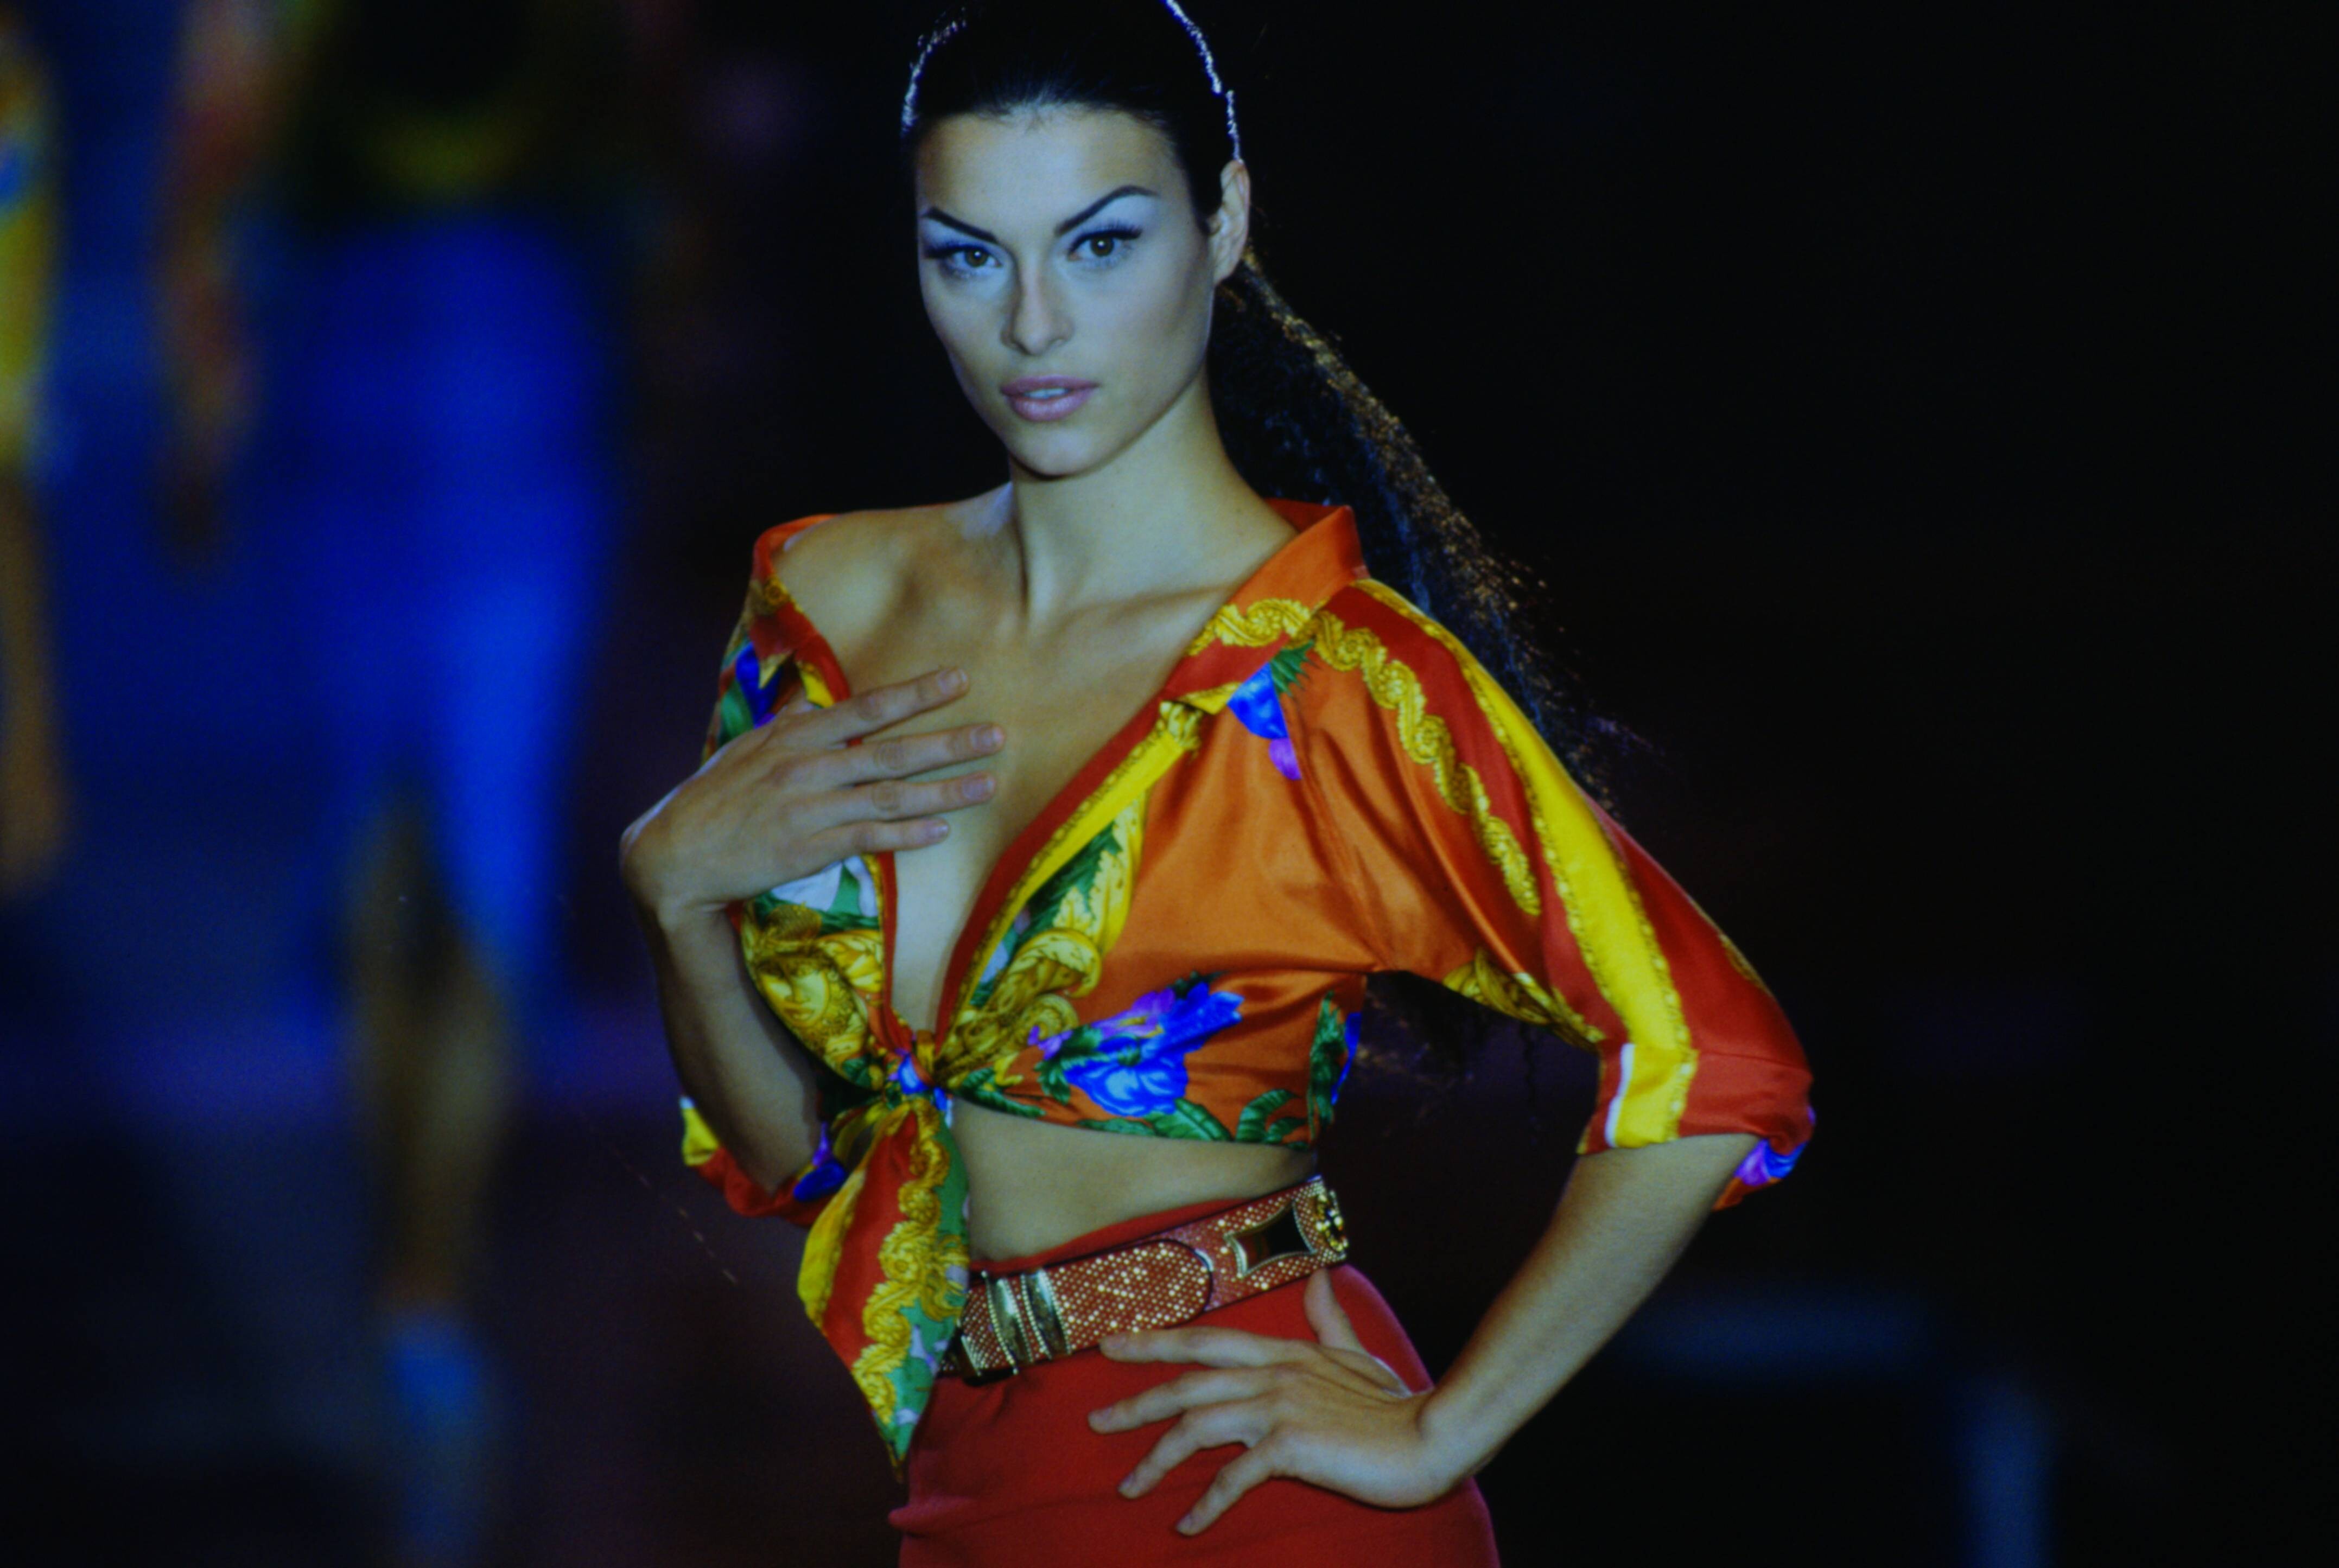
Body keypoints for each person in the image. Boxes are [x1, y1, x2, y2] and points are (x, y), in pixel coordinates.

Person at [620, 3, 1814, 1561]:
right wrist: (676, 902)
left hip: (1254, 1482)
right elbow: (811, 1161)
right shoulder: (827, 610)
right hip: (968, 1479)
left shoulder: (1333, 678)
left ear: (1225, 222)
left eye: (1101, 245)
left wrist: (1443, 1427)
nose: (1033, 325)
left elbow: (1718, 1064)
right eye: (968, 256)